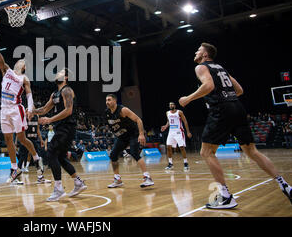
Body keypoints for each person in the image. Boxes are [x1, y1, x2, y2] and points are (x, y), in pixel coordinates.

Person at [179, 42, 292, 208]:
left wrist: (188, 98)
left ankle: (225, 196)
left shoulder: (201, 67)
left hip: (222, 109)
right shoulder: (221, 68)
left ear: (205, 55)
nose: (195, 52)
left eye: (198, 50)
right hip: (237, 107)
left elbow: (209, 86)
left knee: (206, 151)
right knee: (252, 151)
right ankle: (285, 185)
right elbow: (239, 90)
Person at [0, 24, 43, 183]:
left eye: (23, 61)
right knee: (8, 139)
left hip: (16, 108)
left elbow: (29, 95)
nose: (20, 61)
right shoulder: (6, 70)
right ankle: (14, 168)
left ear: (24, 67)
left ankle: (36, 158)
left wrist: (30, 108)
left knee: (22, 138)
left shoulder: (24, 79)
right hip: (3, 109)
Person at [31, 68, 87, 201]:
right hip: (60, 128)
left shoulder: (67, 90)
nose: (57, 74)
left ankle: (59, 189)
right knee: (61, 157)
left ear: (66, 77)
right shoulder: (54, 94)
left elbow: (68, 110)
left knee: (51, 152)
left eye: (61, 73)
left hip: (67, 127)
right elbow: (44, 109)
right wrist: (31, 111)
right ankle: (78, 183)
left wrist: (49, 120)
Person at [104, 94, 154, 189]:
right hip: (122, 137)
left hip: (133, 134)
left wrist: (141, 134)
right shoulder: (107, 113)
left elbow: (138, 120)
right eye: (106, 100)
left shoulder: (123, 110)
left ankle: (147, 177)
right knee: (113, 155)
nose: (107, 102)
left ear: (115, 101)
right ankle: (117, 179)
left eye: (109, 100)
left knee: (134, 153)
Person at [17, 114, 49, 184]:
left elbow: (37, 129)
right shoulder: (24, 116)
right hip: (25, 140)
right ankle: (15, 177)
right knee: (22, 158)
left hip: (34, 140)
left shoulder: (36, 116)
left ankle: (40, 177)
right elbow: (19, 129)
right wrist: (17, 140)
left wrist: (41, 140)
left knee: (37, 158)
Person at [160, 102, 192, 171]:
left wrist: (188, 131)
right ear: (169, 106)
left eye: (172, 104)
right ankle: (170, 164)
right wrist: (165, 126)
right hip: (171, 132)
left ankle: (186, 163)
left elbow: (185, 121)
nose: (171, 105)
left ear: (175, 105)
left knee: (181, 147)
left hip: (179, 131)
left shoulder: (179, 112)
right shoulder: (167, 113)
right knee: (168, 147)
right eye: (170, 104)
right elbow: (169, 121)